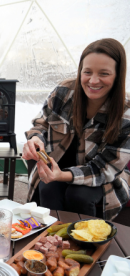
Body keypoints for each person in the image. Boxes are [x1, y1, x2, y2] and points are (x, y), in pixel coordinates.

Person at [23, 38, 130, 218]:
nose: (93, 81)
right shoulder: (64, 92)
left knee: (78, 195)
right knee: (48, 188)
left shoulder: (126, 113)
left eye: (104, 73)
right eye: (87, 72)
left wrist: (62, 175)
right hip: (57, 165)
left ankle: (87, 241)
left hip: (103, 176)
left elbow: (104, 169)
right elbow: (41, 124)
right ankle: (51, 240)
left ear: (118, 75)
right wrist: (35, 139)